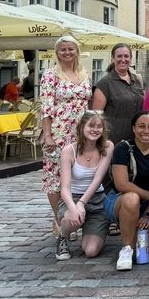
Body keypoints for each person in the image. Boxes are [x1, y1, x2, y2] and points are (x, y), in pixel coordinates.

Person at [40, 36, 92, 244]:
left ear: (77, 51)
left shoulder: (84, 73)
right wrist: (48, 135)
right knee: (55, 177)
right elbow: (46, 107)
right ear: (57, 52)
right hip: (60, 132)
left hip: (82, 134)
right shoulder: (51, 75)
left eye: (71, 49)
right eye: (63, 50)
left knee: (77, 176)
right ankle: (58, 217)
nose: (67, 52)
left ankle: (75, 215)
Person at [102, 110, 149, 271]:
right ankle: (126, 249)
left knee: (147, 252)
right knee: (132, 198)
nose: (146, 131)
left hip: (147, 204)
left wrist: (148, 213)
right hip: (120, 199)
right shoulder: (123, 148)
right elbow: (122, 184)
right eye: (141, 126)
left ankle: (134, 227)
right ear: (134, 128)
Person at [56, 110, 114, 261]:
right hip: (73, 196)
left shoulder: (107, 147)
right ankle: (63, 236)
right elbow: (65, 188)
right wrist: (74, 206)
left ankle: (96, 230)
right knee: (72, 219)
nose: (95, 130)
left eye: (99, 126)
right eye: (91, 125)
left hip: (96, 199)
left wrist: (83, 203)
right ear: (82, 127)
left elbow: (98, 179)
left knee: (90, 251)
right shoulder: (69, 151)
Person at [91, 44, 145, 145]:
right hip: (114, 138)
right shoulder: (104, 83)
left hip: (137, 137)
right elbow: (96, 116)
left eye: (126, 56)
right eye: (119, 56)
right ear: (112, 59)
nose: (123, 59)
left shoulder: (138, 80)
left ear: (131, 59)